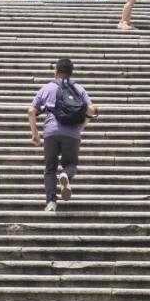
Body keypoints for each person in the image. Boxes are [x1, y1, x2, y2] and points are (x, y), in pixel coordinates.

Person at [29, 56, 99, 214]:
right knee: (71, 164)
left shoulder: (47, 88)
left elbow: (31, 111)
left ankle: (51, 202)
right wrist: (82, 126)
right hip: (72, 133)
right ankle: (66, 175)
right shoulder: (78, 89)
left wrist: (35, 135)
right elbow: (92, 110)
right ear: (71, 72)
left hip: (51, 132)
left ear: (56, 72)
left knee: (50, 169)